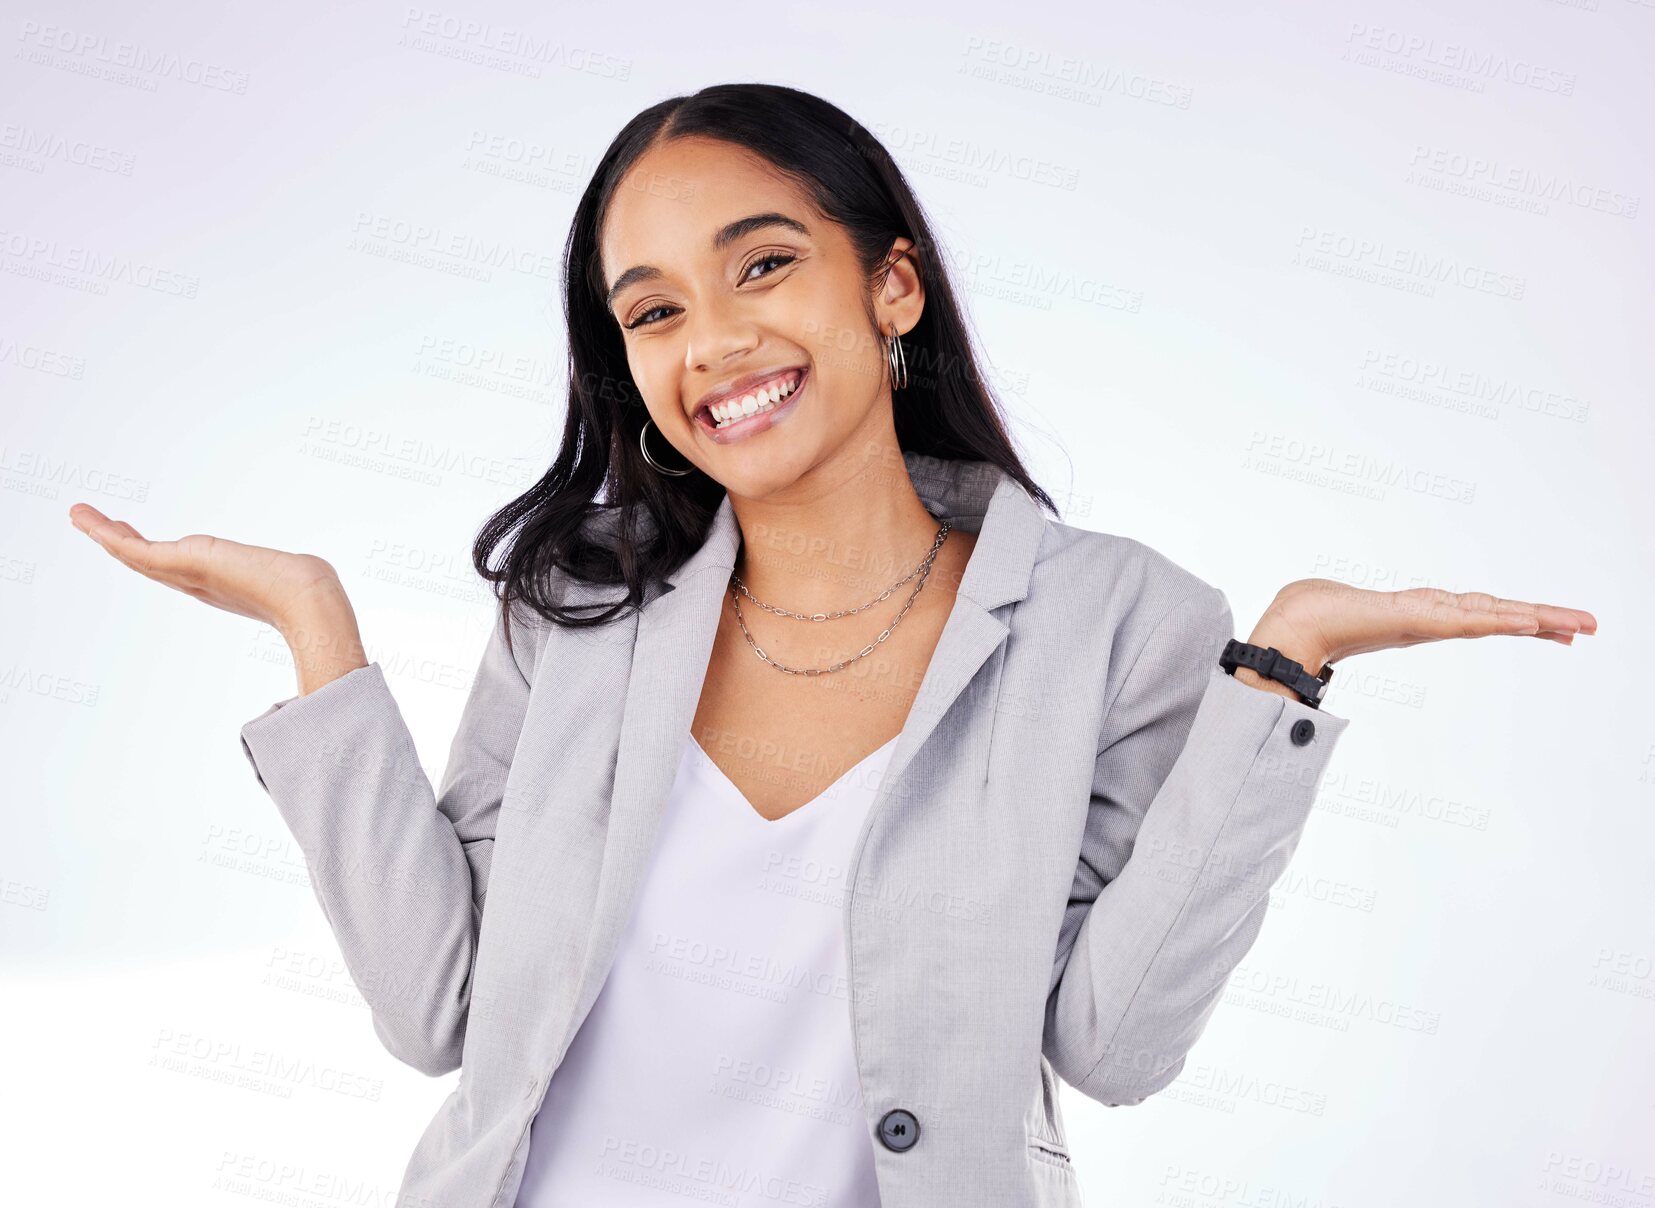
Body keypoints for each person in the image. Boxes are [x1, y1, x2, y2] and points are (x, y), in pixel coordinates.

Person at [67, 83, 1596, 1208]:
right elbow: (439, 1013)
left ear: (892, 286)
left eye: (763, 266)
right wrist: (317, 637)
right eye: (650, 312)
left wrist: (1282, 672)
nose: (712, 343)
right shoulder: (576, 609)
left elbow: (1111, 1045)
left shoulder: (1119, 624)